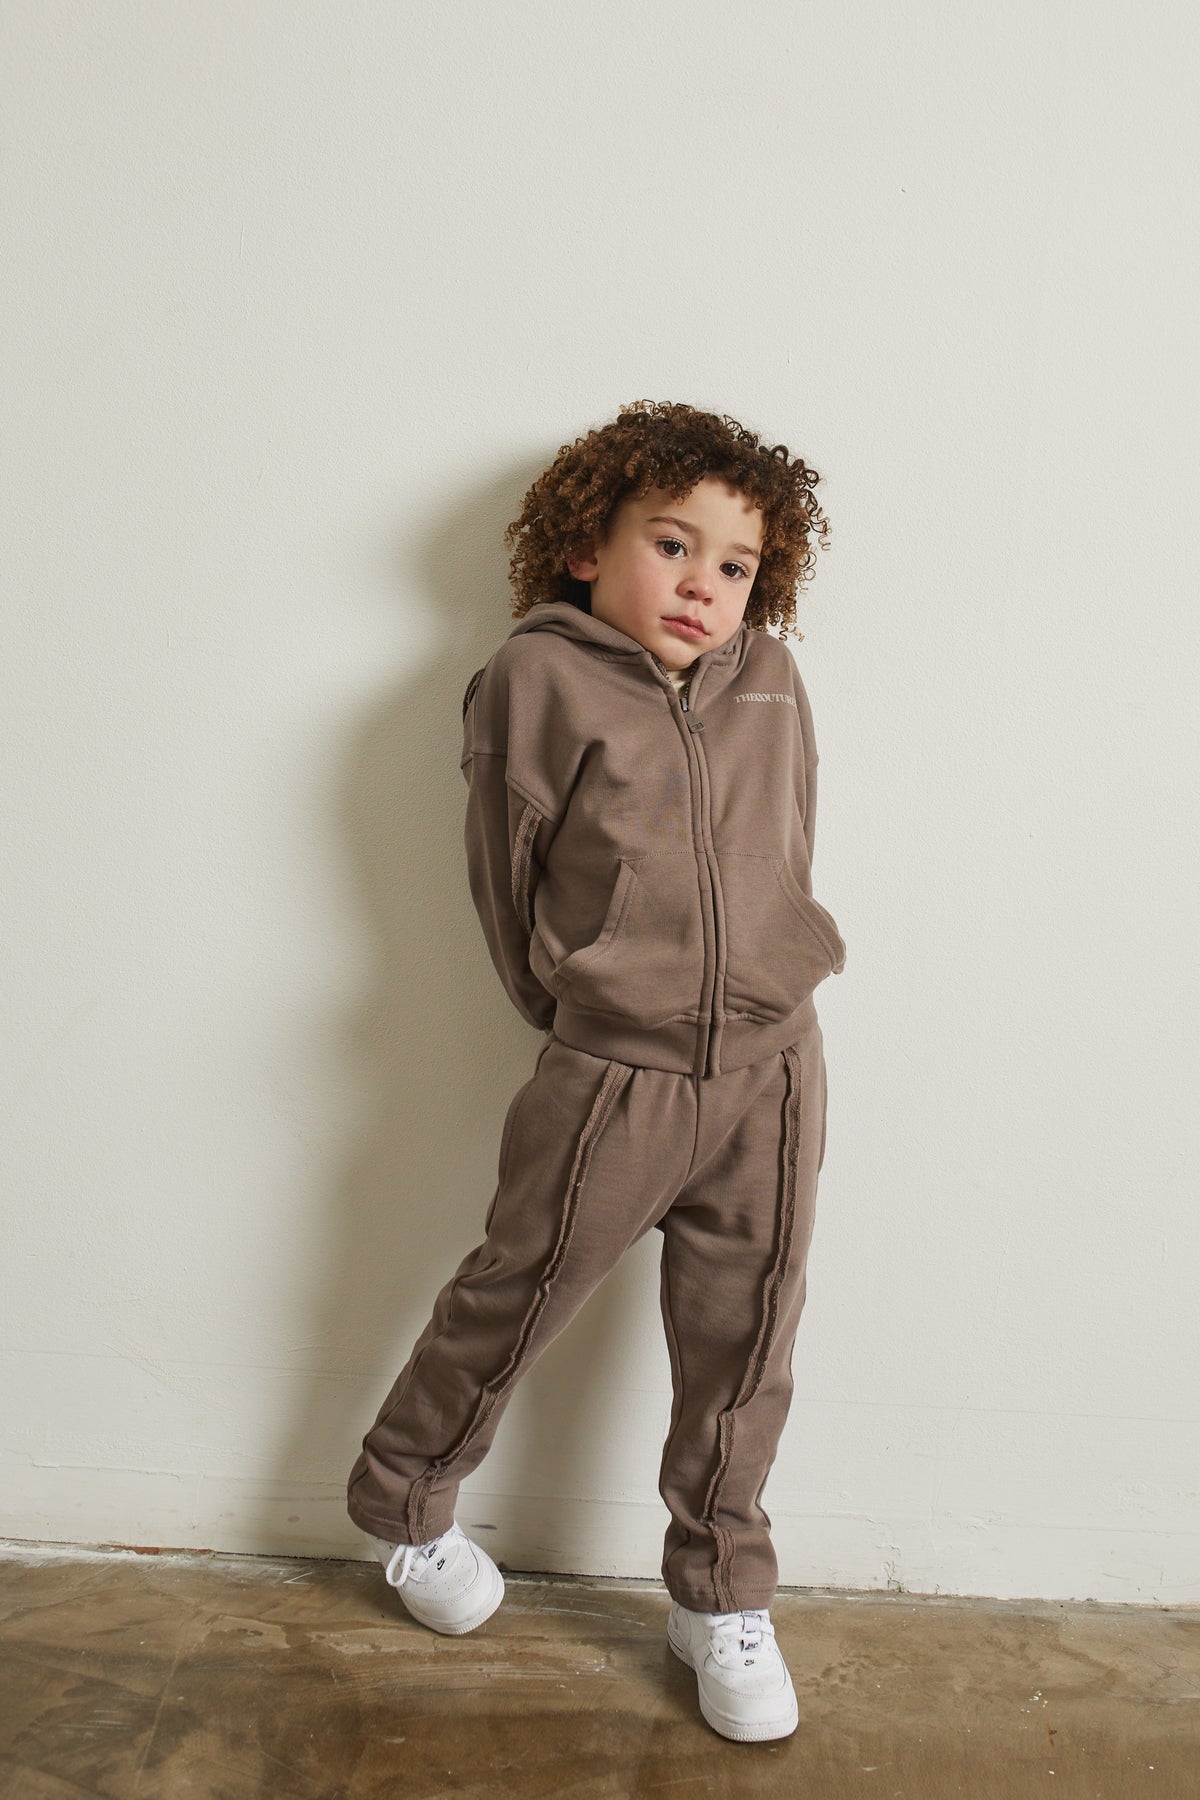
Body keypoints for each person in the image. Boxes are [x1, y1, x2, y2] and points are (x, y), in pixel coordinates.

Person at [345, 399, 846, 1744]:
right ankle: (403, 1502)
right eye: (670, 545)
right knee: (515, 1293)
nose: (703, 585)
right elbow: (503, 880)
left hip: (775, 1069)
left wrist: (773, 972)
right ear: (585, 546)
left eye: (734, 564)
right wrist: (589, 1005)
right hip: (616, 1072)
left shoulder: (771, 678)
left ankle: (721, 1591)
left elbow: (791, 839)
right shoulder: (536, 678)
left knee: (750, 1339)